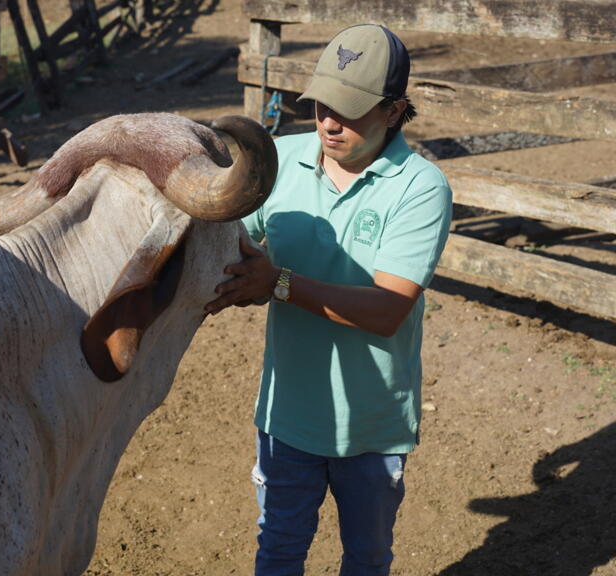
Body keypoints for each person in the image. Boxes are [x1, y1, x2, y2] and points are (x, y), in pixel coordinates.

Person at [204, 24, 453, 575]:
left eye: (350, 109)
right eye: (321, 105)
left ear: (394, 110)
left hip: (371, 426)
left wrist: (277, 283)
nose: (329, 123)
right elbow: (223, 243)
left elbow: (388, 310)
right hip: (286, 415)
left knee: (365, 560)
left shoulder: (419, 187)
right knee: (277, 555)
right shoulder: (278, 160)